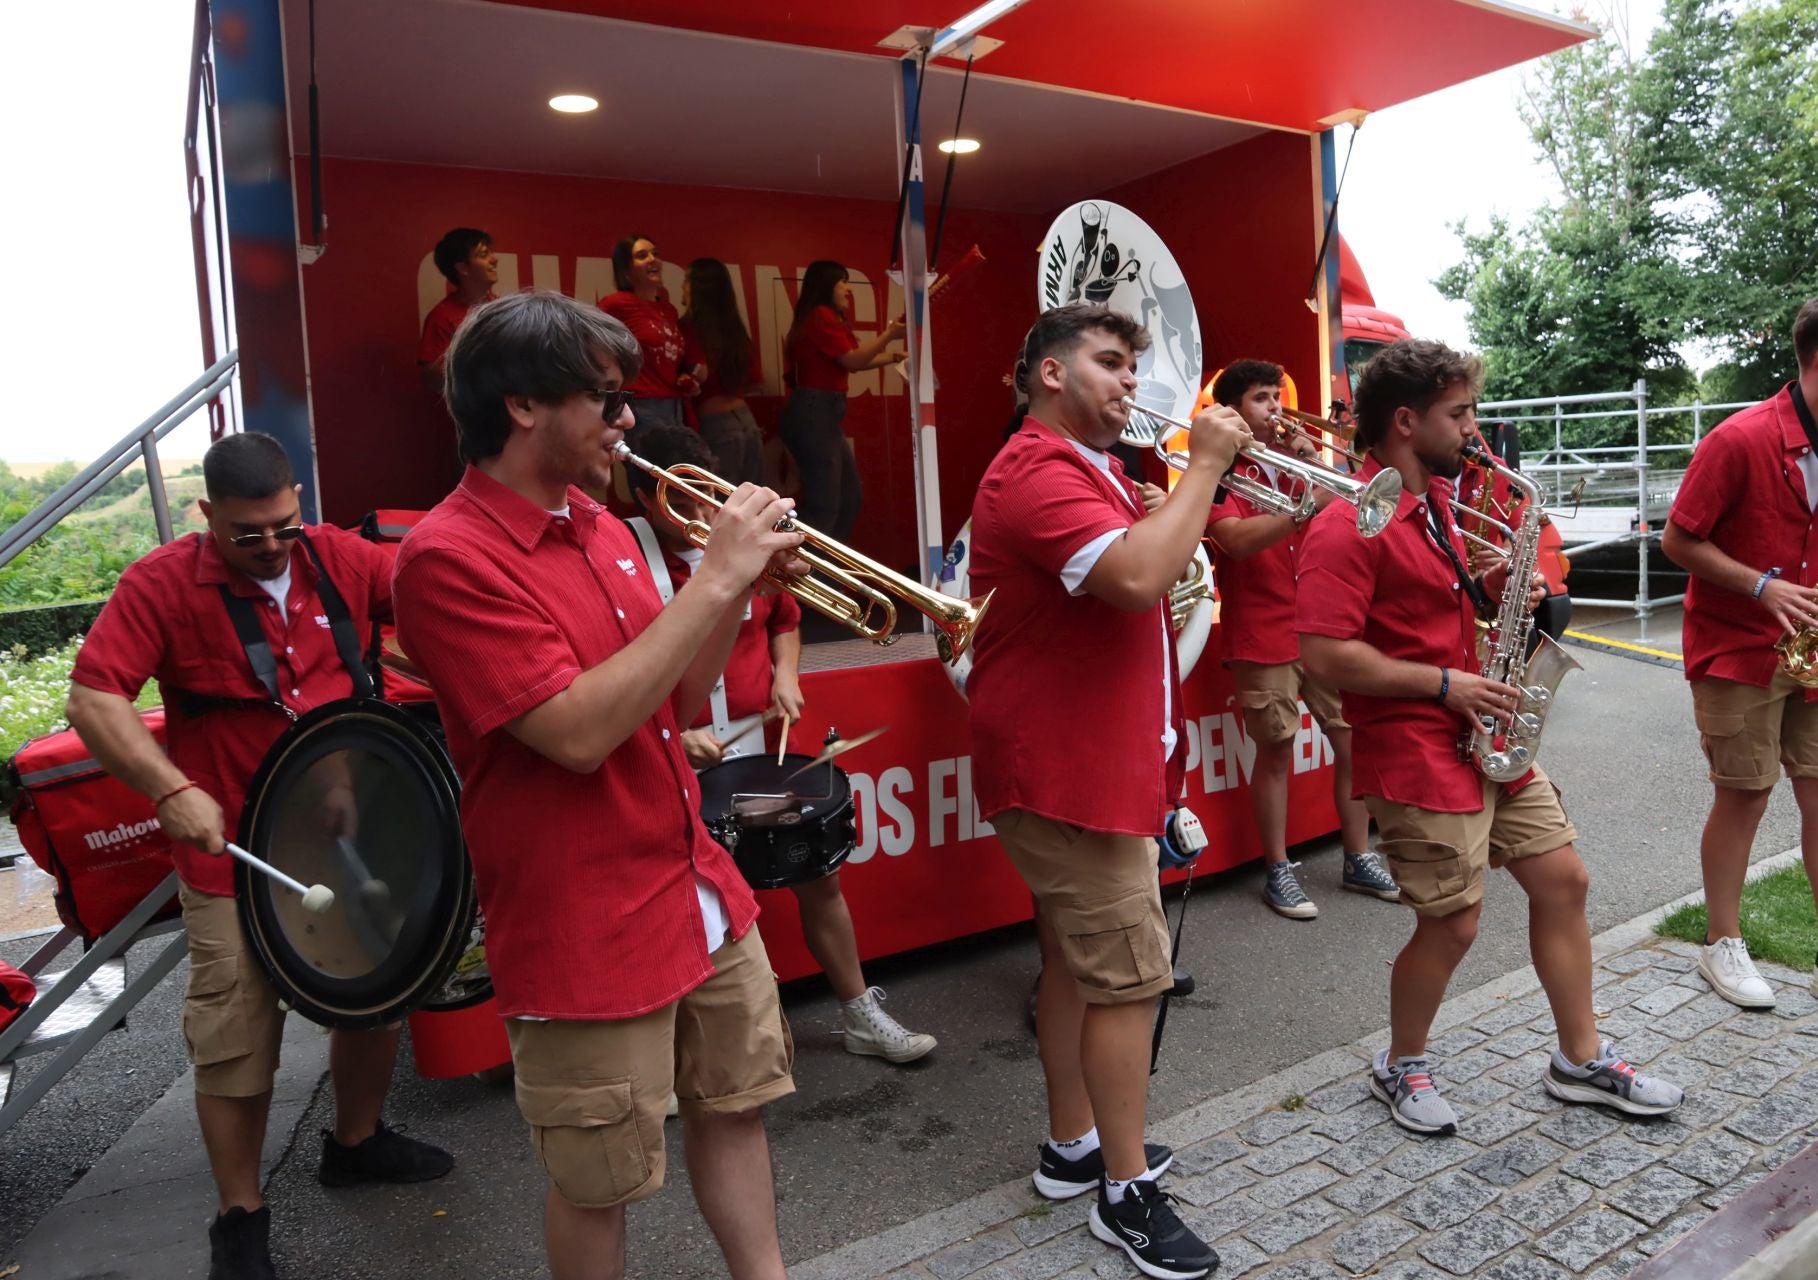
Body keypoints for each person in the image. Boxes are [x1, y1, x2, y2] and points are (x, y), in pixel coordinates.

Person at [392, 292, 802, 1280]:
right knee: (600, 1177)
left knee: (735, 1104)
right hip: (586, 911)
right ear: (525, 404)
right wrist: (713, 578)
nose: (628, 421)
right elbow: (575, 732)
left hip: (692, 878)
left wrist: (737, 585)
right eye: (608, 400)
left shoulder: (607, 526)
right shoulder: (446, 557)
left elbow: (685, 691)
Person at [65, 433, 454, 1280]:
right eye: (248, 534)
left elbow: (441, 600)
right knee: (235, 1036)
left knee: (375, 996)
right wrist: (170, 789)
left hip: (346, 833)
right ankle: (240, 1213)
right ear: (207, 515)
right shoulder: (161, 585)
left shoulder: (341, 558)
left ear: (299, 497)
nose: (272, 546)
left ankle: (356, 1141)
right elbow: (93, 695)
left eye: (284, 524)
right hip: (229, 850)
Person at [1297, 338, 1683, 1136]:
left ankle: (1581, 1059)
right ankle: (1400, 1063)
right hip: (1416, 739)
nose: (1475, 432)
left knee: (1564, 880)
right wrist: (1446, 684)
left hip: (1484, 726)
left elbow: (1432, 605)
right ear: (1406, 422)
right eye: (1460, 415)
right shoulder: (1349, 523)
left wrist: (1502, 585)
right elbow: (1323, 654)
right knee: (1454, 920)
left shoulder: (1435, 500)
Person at [969, 303, 1252, 1279]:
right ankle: (1124, 1191)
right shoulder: (1038, 469)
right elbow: (1136, 577)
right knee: (1131, 977)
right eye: (1111, 362)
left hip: (1091, 761)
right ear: (1050, 373)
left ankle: (1072, 1145)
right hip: (1066, 774)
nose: (1133, 381)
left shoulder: (1092, 467)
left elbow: (1171, 557)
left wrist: (1225, 489)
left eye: (1135, 365)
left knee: (1069, 963)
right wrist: (1210, 461)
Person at [629, 425, 939, 1065]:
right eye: (681, 502)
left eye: (704, 500)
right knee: (681, 904)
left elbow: (785, 620)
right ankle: (691, 1054)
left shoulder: (742, 546)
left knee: (816, 874)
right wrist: (671, 732)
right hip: (669, 764)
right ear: (642, 495)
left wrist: (788, 675)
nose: (699, 515)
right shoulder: (622, 558)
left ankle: (859, 1013)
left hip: (755, 756)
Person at [1662, 286, 1818, 1021]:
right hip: (1739, 645)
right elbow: (1677, 540)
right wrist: (1761, 588)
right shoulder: (1738, 439)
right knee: (1742, 797)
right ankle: (1722, 941)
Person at [1204, 359, 1398, 920]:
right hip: (1261, 631)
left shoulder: (1298, 465)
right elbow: (1234, 539)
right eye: (1262, 399)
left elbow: (1355, 521)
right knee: (1276, 752)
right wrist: (1302, 506)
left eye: (1276, 396)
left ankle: (1358, 856)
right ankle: (1278, 868)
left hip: (1320, 623)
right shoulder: (1219, 471)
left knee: (1352, 741)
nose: (1276, 409)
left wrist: (1318, 468)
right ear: (1232, 410)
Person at [779, 260, 906, 540]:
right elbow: (854, 360)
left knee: (849, 498)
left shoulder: (827, 317)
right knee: (824, 506)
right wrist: (889, 335)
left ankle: (826, 567)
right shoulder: (820, 315)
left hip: (823, 416)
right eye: (843, 283)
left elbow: (855, 357)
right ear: (828, 286)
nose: (848, 290)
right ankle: (807, 570)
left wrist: (894, 357)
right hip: (814, 414)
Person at [599, 233, 702, 432]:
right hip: (641, 406)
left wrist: (685, 377)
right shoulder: (615, 304)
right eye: (642, 255)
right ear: (626, 269)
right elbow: (593, 349)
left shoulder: (668, 310)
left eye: (655, 253)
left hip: (674, 405)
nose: (653, 259)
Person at [680, 257, 767, 485]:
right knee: (752, 503)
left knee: (719, 503)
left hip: (715, 424)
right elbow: (756, 381)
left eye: (686, 280)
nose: (682, 286)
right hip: (747, 420)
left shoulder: (688, 330)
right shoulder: (735, 330)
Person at [419, 227, 498, 383]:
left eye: (490, 253)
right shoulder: (442, 317)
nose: (494, 259)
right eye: (483, 254)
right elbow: (432, 375)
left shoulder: (504, 308)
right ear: (463, 268)